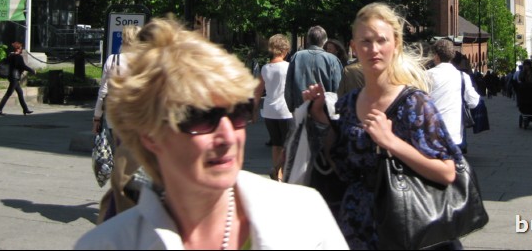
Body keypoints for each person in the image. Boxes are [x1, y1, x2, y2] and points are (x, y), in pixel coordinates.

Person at [74, 17, 348, 250]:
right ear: (151, 135)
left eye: (239, 111)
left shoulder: (303, 216)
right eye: (202, 117)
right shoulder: (108, 244)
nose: (228, 135)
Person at [304, 3, 463, 250]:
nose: (374, 49)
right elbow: (341, 167)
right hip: (355, 228)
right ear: (354, 47)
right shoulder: (348, 103)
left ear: (395, 45)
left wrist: (391, 142)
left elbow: (447, 172)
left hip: (404, 229)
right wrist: (320, 117)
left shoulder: (414, 103)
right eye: (365, 41)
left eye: (382, 40)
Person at [92, 24, 142, 223]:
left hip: (116, 117)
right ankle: (129, 204)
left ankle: (118, 204)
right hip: (139, 118)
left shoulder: (114, 60)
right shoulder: (145, 63)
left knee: (120, 158)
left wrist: (97, 117)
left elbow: (103, 91)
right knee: (137, 161)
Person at [253, 34, 292, 182]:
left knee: (276, 144)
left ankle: (277, 172)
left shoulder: (265, 68)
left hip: (269, 111)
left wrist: (254, 111)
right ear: (285, 50)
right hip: (286, 110)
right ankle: (280, 171)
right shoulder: (289, 67)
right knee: (288, 145)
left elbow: (257, 91)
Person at [284, 25, 342, 113]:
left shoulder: (297, 56)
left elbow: (288, 86)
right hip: (325, 112)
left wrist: (292, 108)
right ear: (325, 41)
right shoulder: (333, 60)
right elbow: (338, 88)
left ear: (308, 40)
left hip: (300, 109)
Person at [426, 39, 465, 152]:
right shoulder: (462, 76)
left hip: (431, 131)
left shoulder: (426, 76)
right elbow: (473, 102)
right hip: (454, 133)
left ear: (436, 56)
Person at [0, 41, 36, 115]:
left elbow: (4, 63)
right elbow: (23, 66)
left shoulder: (10, 56)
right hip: (15, 77)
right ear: (18, 49)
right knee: (8, 93)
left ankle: (25, 109)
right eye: (20, 48)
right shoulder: (18, 57)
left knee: (20, 92)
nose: (21, 50)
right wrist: (32, 70)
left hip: (11, 76)